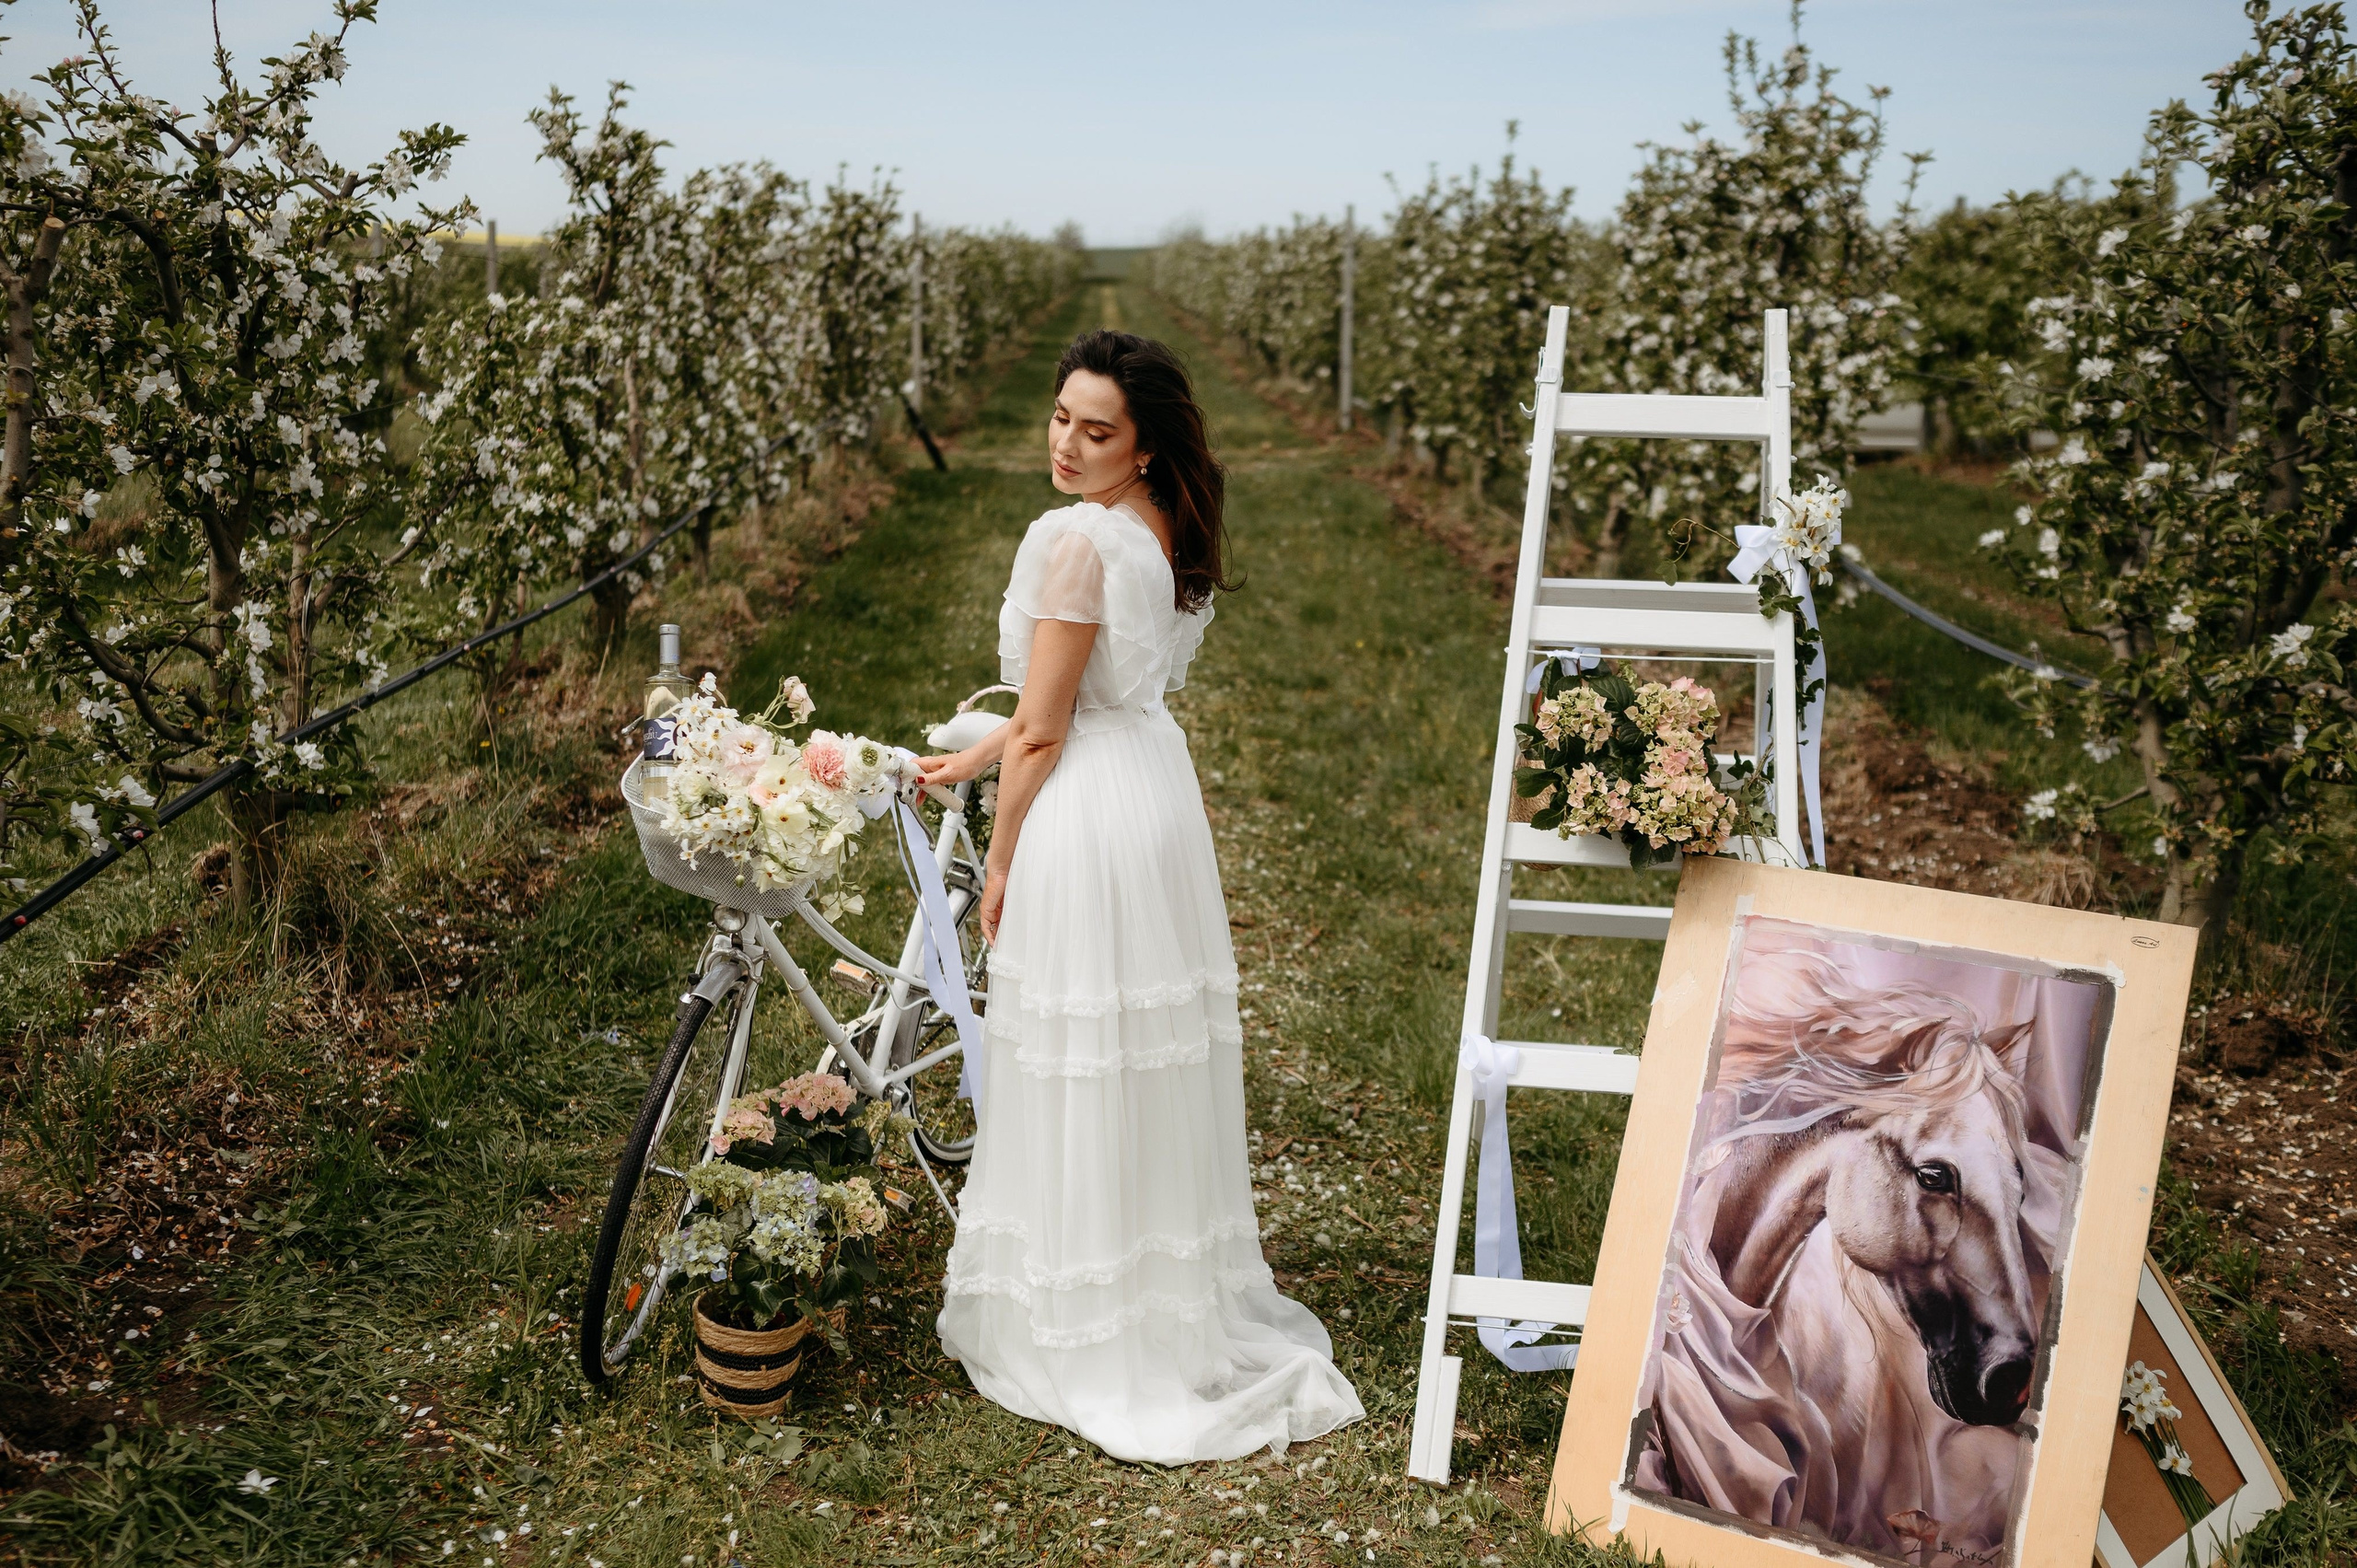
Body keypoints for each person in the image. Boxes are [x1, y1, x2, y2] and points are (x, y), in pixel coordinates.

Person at [920, 330, 1364, 1464]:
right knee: (1137, 1047)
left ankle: (1080, 1315)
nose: (1067, 444)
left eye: (1097, 429)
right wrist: (978, 754)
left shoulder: (1071, 545)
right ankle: (1156, 1290)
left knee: (1079, 1048)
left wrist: (1003, 856)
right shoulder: (1161, 525)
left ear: (1146, 444)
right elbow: (1088, 696)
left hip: (1085, 811)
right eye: (1061, 416)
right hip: (1152, 789)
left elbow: (1047, 725)